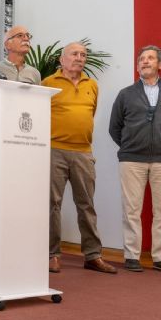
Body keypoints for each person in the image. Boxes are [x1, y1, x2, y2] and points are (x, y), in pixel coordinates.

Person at [109, 45, 161, 275]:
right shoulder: (125, 94)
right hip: (132, 160)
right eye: (141, 59)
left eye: (150, 58)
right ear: (137, 66)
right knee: (131, 209)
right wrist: (129, 145)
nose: (145, 62)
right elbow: (115, 127)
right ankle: (131, 256)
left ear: (160, 64)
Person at [42, 42, 117, 274]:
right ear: (62, 60)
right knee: (51, 205)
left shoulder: (92, 85)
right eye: (74, 54)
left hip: (83, 153)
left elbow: (89, 115)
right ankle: (52, 255)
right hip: (54, 151)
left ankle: (93, 256)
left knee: (86, 205)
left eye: (83, 55)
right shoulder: (47, 84)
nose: (80, 58)